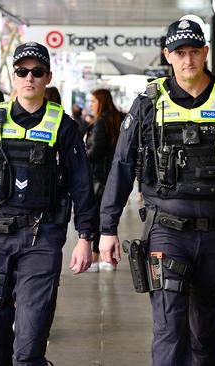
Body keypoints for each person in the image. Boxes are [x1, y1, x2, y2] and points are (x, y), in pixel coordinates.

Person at [98, 19, 215, 365]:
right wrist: (106, 229)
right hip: (166, 231)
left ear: (205, 52)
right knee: (170, 331)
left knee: (205, 333)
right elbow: (121, 167)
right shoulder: (148, 103)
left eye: (194, 51)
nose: (188, 60)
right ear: (168, 55)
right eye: (180, 53)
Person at [0, 41, 97, 366]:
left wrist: (86, 238)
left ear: (47, 77)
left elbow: (82, 186)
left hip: (41, 241)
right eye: (23, 71)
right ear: (14, 76)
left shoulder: (64, 126)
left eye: (37, 72)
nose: (30, 77)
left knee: (29, 342)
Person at [84, 89, 122, 273]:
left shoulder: (100, 123)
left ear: (101, 101)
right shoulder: (116, 119)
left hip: (99, 177)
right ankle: (108, 257)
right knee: (108, 216)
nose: (91, 104)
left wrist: (83, 154)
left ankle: (98, 258)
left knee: (96, 217)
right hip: (112, 176)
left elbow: (95, 152)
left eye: (93, 101)